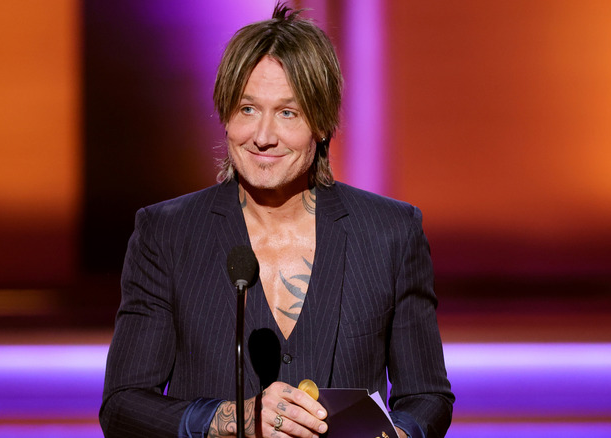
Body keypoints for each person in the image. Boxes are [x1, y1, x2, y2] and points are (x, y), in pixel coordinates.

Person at [100, 3, 454, 438]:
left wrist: (400, 434)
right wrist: (232, 419)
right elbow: (123, 405)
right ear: (226, 115)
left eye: (288, 113)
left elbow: (428, 395)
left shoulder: (391, 233)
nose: (263, 136)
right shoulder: (166, 234)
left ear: (321, 124)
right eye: (248, 109)